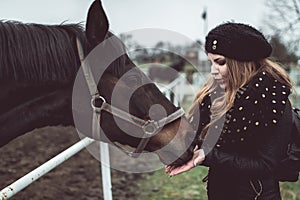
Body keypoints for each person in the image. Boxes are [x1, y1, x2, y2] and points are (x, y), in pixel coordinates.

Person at [165, 22, 293, 200]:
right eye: (211, 62)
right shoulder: (215, 97)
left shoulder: (274, 101)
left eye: (220, 62)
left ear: (241, 63)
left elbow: (265, 165)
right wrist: (185, 153)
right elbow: (210, 146)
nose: (213, 71)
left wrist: (207, 156)